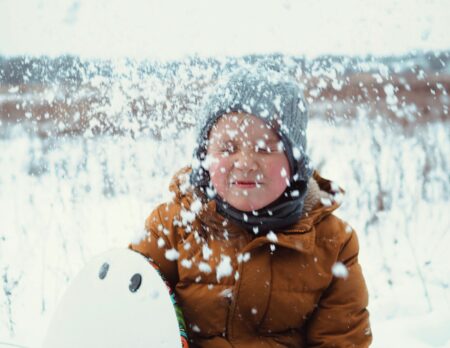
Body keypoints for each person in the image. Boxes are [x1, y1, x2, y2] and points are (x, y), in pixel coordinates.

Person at [129, 68, 372, 347]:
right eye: (227, 148)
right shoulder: (174, 226)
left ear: (295, 162)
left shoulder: (332, 243)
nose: (244, 162)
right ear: (204, 157)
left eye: (265, 149)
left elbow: (341, 340)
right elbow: (130, 308)